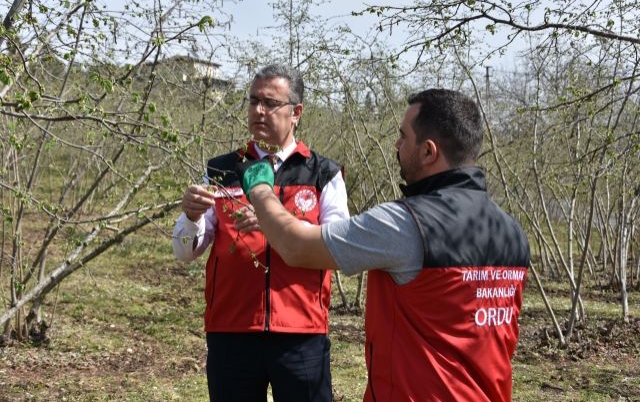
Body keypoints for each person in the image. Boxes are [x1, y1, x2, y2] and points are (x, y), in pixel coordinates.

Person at [239, 88, 531, 402]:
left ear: (428, 151)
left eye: (403, 137)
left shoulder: (406, 224)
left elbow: (295, 246)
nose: (396, 144)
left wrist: (261, 189)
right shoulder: (510, 231)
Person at [172, 64, 349, 402]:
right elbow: (184, 251)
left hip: (301, 335)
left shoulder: (323, 173)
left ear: (296, 112)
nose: (258, 111)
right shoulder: (223, 170)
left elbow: (337, 246)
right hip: (232, 332)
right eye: (253, 101)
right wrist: (191, 216)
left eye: (270, 103)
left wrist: (275, 222)